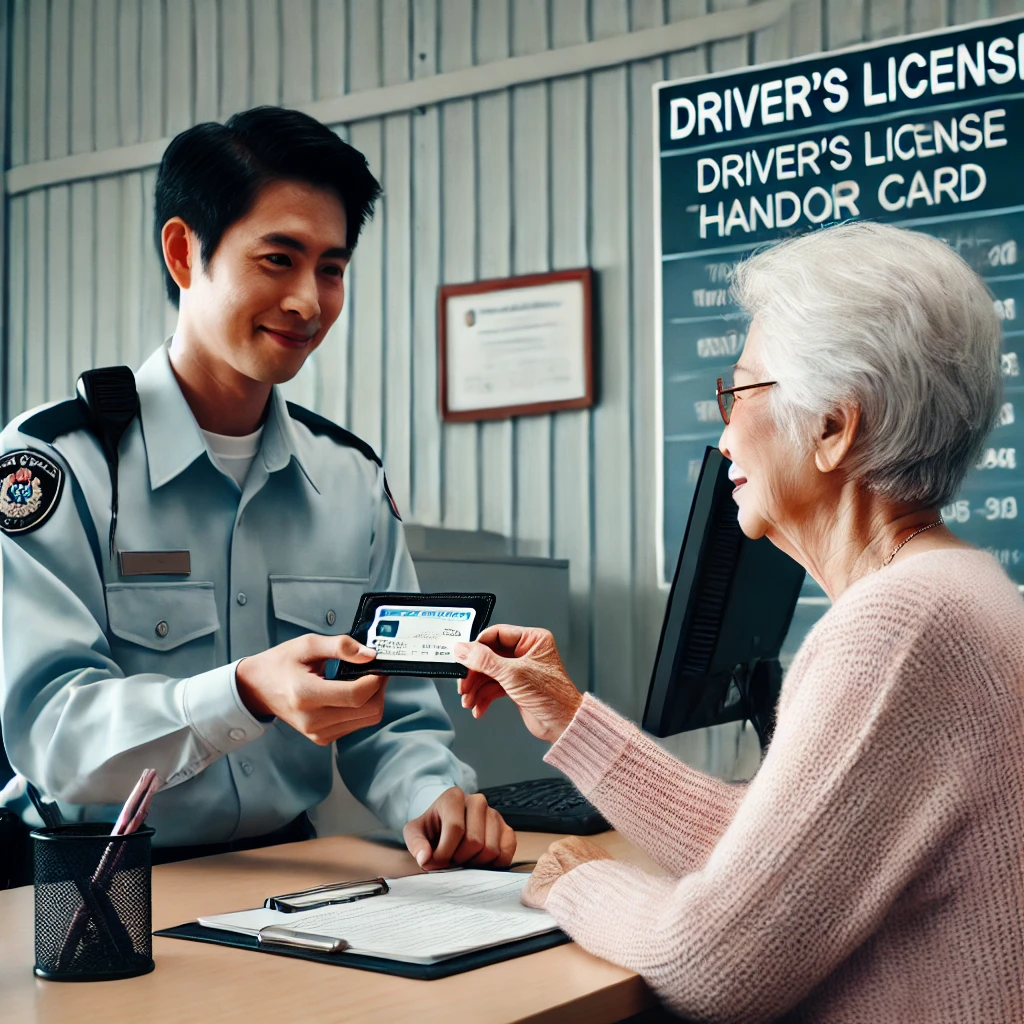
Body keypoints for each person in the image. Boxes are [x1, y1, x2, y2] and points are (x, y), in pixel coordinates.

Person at [453, 222, 1024, 1022]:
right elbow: (780, 853)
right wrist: (572, 718)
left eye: (742, 391)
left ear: (833, 426)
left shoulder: (901, 625)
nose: (725, 438)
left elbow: (711, 964)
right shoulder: (962, 588)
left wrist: (577, 882)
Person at [0, 107, 514, 877]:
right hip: (87, 884)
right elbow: (54, 728)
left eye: (331, 268)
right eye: (279, 259)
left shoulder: (350, 481)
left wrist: (433, 797)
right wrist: (242, 693)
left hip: (283, 877)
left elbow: (393, 715)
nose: (309, 301)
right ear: (184, 253)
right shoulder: (53, 465)